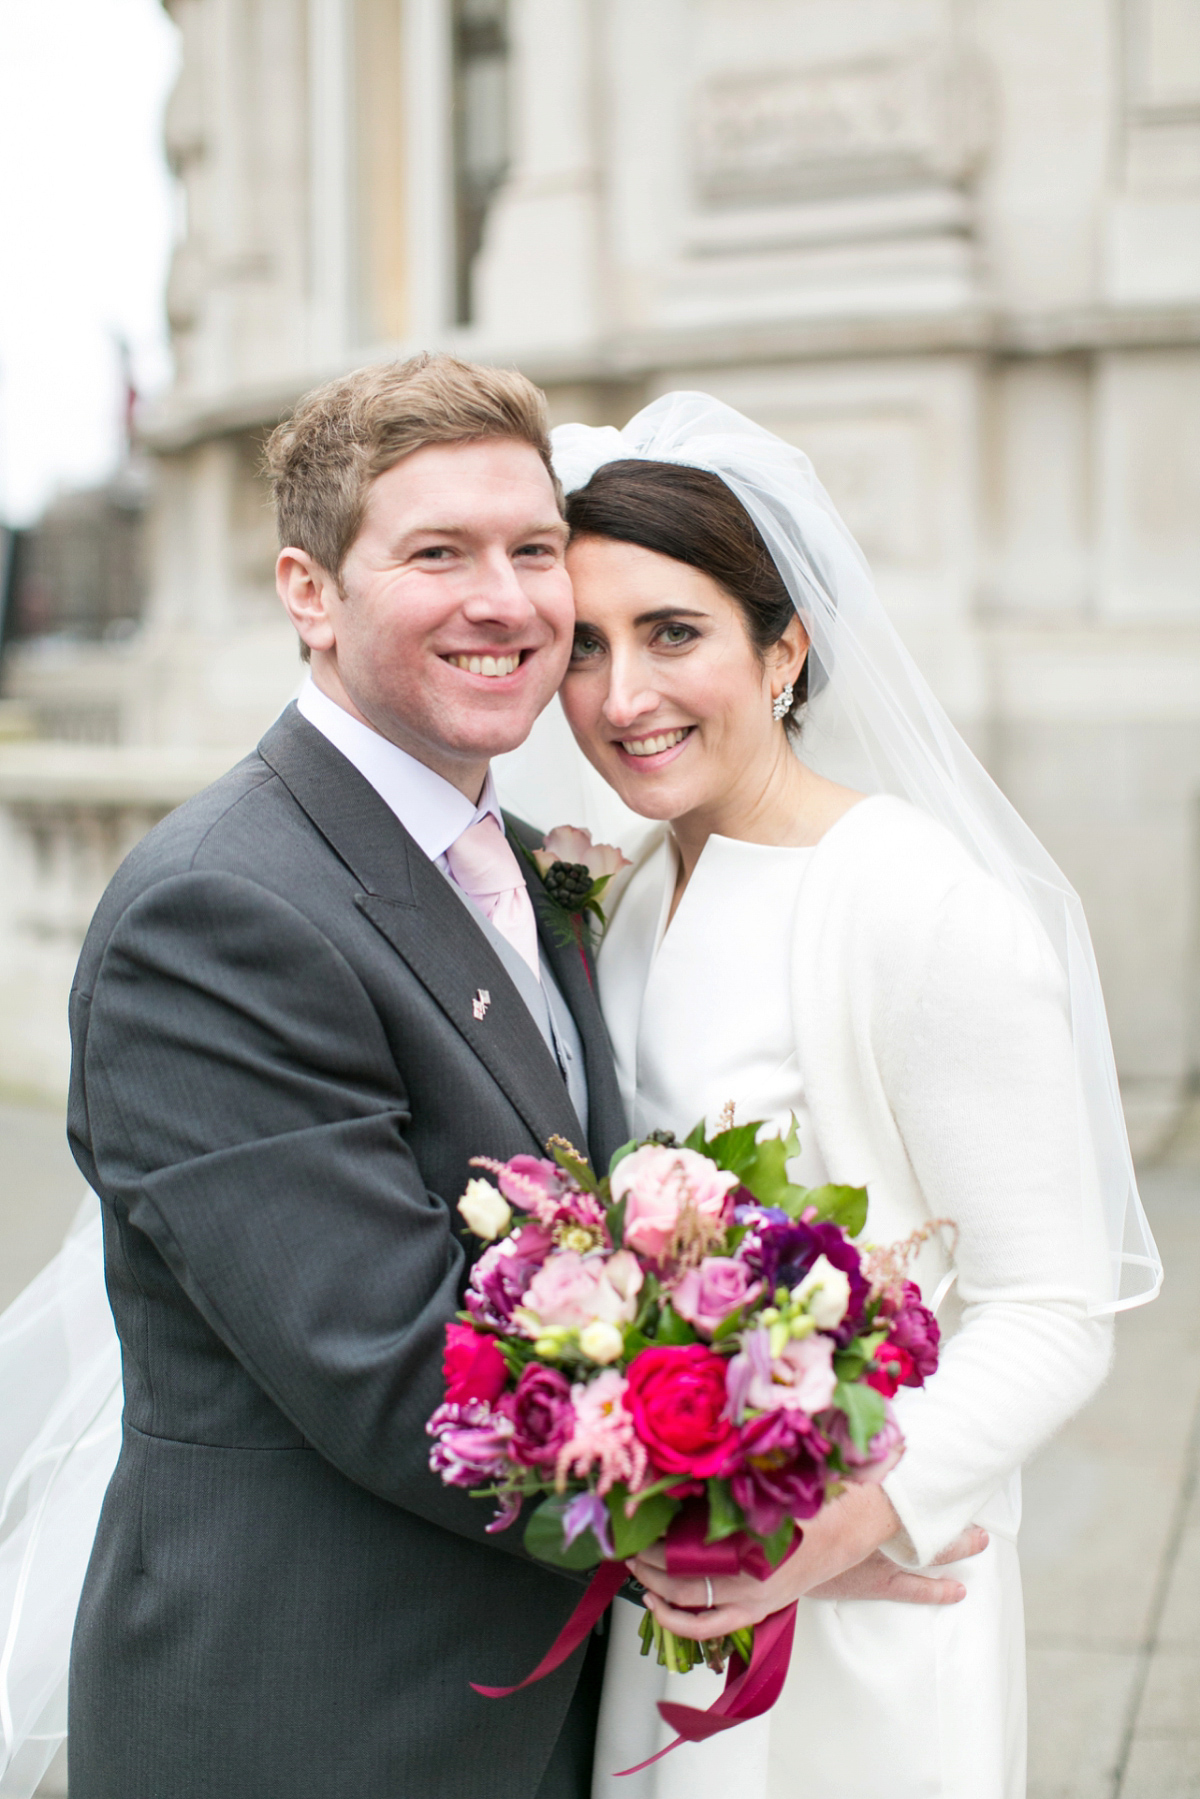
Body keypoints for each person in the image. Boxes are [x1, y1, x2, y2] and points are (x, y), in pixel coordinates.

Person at [514, 395, 1163, 1798]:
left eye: (672, 633)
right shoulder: (623, 898)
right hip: (672, 1588)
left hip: (857, 1626)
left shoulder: (920, 910)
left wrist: (845, 1526)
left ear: (785, 644)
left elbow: (1056, 1309)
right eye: (582, 647)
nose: (622, 697)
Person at [61, 353, 631, 1799]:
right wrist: (761, 1499)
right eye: (437, 552)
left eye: (534, 549)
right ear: (310, 593)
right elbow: (397, 1376)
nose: (505, 600)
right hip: (318, 1714)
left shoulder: (514, 854)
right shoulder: (223, 911)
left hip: (526, 1706)